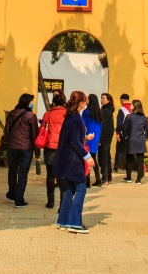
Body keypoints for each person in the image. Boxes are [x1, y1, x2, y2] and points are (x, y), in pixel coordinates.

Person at [54, 90, 96, 233]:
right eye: (84, 101)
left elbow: (74, 138)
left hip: (66, 159)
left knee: (69, 190)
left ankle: (63, 220)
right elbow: (74, 141)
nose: (86, 103)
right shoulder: (75, 118)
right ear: (80, 103)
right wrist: (87, 156)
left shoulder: (70, 117)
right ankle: (74, 222)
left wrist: (85, 138)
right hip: (73, 160)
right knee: (80, 189)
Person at [3, 93, 38, 207]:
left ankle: (12, 194)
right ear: (27, 103)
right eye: (31, 102)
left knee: (12, 171)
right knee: (23, 173)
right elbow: (34, 134)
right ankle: (19, 200)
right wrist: (36, 150)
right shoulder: (31, 116)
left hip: (12, 147)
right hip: (26, 148)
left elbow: (6, 131)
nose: (32, 104)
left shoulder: (11, 114)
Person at [41, 92, 67, 209]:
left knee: (50, 175)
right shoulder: (68, 114)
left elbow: (42, 130)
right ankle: (63, 203)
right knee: (62, 175)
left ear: (54, 103)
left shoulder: (48, 114)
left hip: (50, 147)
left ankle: (50, 201)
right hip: (63, 148)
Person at [122, 99, 148, 184]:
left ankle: (129, 177)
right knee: (140, 160)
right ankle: (139, 179)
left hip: (131, 140)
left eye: (131, 104)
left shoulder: (129, 116)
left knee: (129, 159)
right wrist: (145, 137)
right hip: (140, 140)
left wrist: (126, 137)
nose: (130, 106)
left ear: (135, 106)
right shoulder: (144, 118)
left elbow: (125, 128)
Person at [83, 94, 103, 187]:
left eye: (87, 99)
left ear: (90, 101)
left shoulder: (86, 112)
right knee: (94, 158)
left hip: (88, 136)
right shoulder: (99, 113)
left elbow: (83, 125)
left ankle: (87, 181)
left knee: (86, 158)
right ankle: (98, 179)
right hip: (96, 137)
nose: (86, 100)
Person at [99, 93, 116, 184]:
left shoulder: (106, 111)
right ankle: (108, 177)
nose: (101, 100)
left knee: (103, 156)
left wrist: (100, 140)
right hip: (108, 135)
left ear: (108, 100)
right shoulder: (108, 110)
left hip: (105, 136)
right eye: (101, 98)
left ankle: (105, 177)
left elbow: (104, 126)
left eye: (103, 98)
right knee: (107, 155)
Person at [115, 94, 132, 174]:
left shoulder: (122, 109)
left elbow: (119, 123)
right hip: (132, 133)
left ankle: (116, 167)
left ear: (121, 100)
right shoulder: (133, 109)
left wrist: (118, 133)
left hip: (123, 132)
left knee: (120, 150)